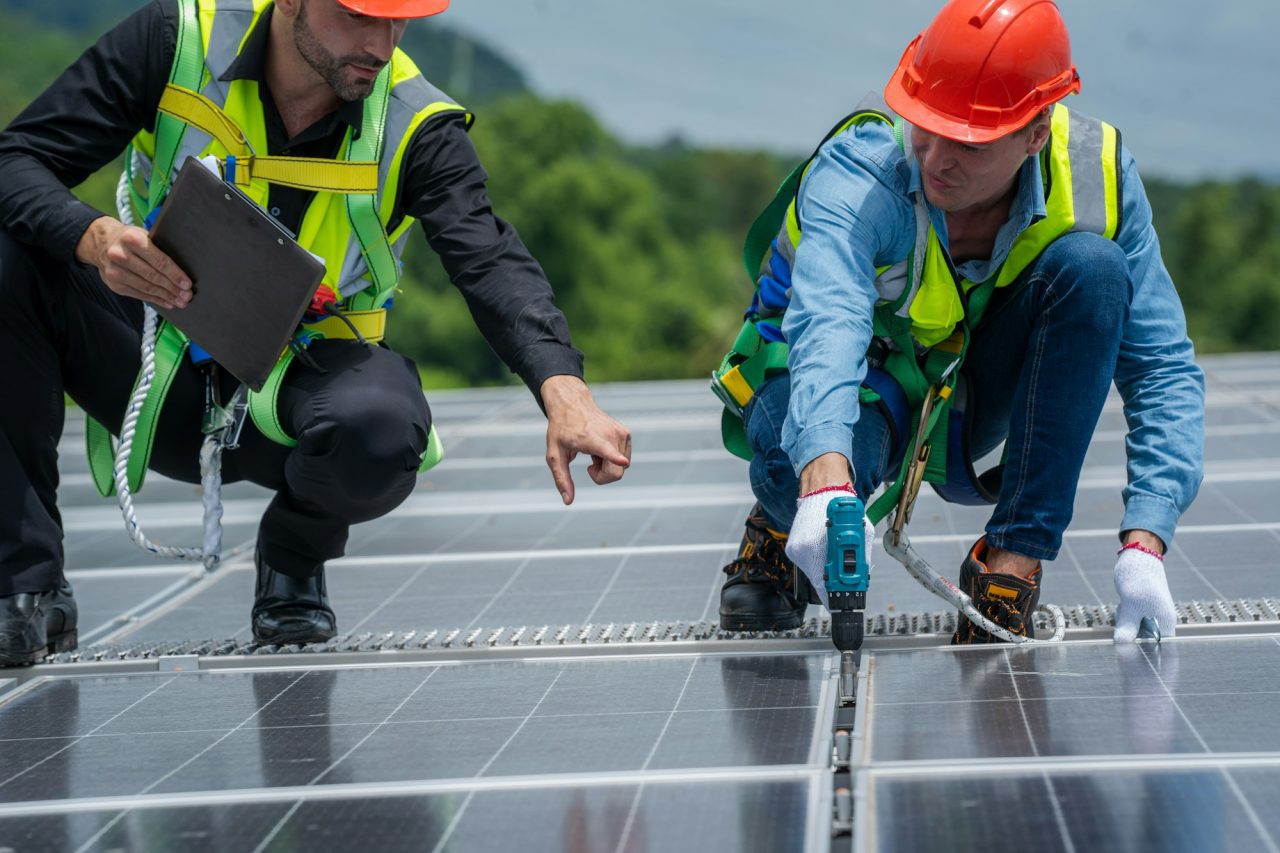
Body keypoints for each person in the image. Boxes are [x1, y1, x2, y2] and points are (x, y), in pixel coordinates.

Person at [0, 0, 632, 667]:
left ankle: (293, 557)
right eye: (361, 15)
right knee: (12, 251)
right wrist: (94, 237)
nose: (382, 43)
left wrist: (565, 392)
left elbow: (491, 261)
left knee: (383, 429)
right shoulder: (176, 40)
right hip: (156, 376)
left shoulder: (415, 121)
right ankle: (25, 586)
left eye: (400, 21)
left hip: (298, 401)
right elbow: (15, 160)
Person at [713, 0, 1203, 644]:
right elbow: (828, 323)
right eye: (925, 124)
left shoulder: (1096, 177)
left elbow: (1160, 365)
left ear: (1035, 133)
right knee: (795, 469)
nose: (936, 156)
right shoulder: (860, 174)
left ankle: (1011, 565)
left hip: (970, 387)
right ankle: (781, 530)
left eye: (969, 140)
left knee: (1095, 267)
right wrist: (824, 478)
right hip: (852, 383)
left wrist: (1148, 537)